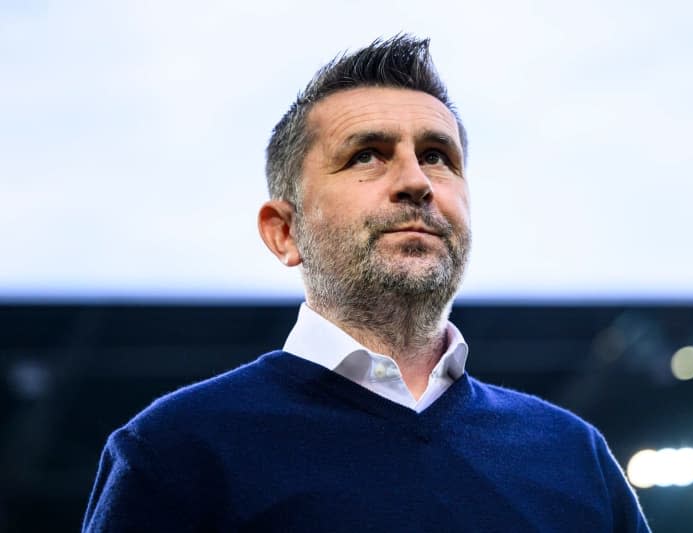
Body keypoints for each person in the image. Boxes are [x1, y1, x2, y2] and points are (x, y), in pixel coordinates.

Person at [82, 34, 650, 532]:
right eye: (367, 156)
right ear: (284, 232)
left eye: (436, 156)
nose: (415, 182)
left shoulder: (574, 456)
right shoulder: (176, 451)